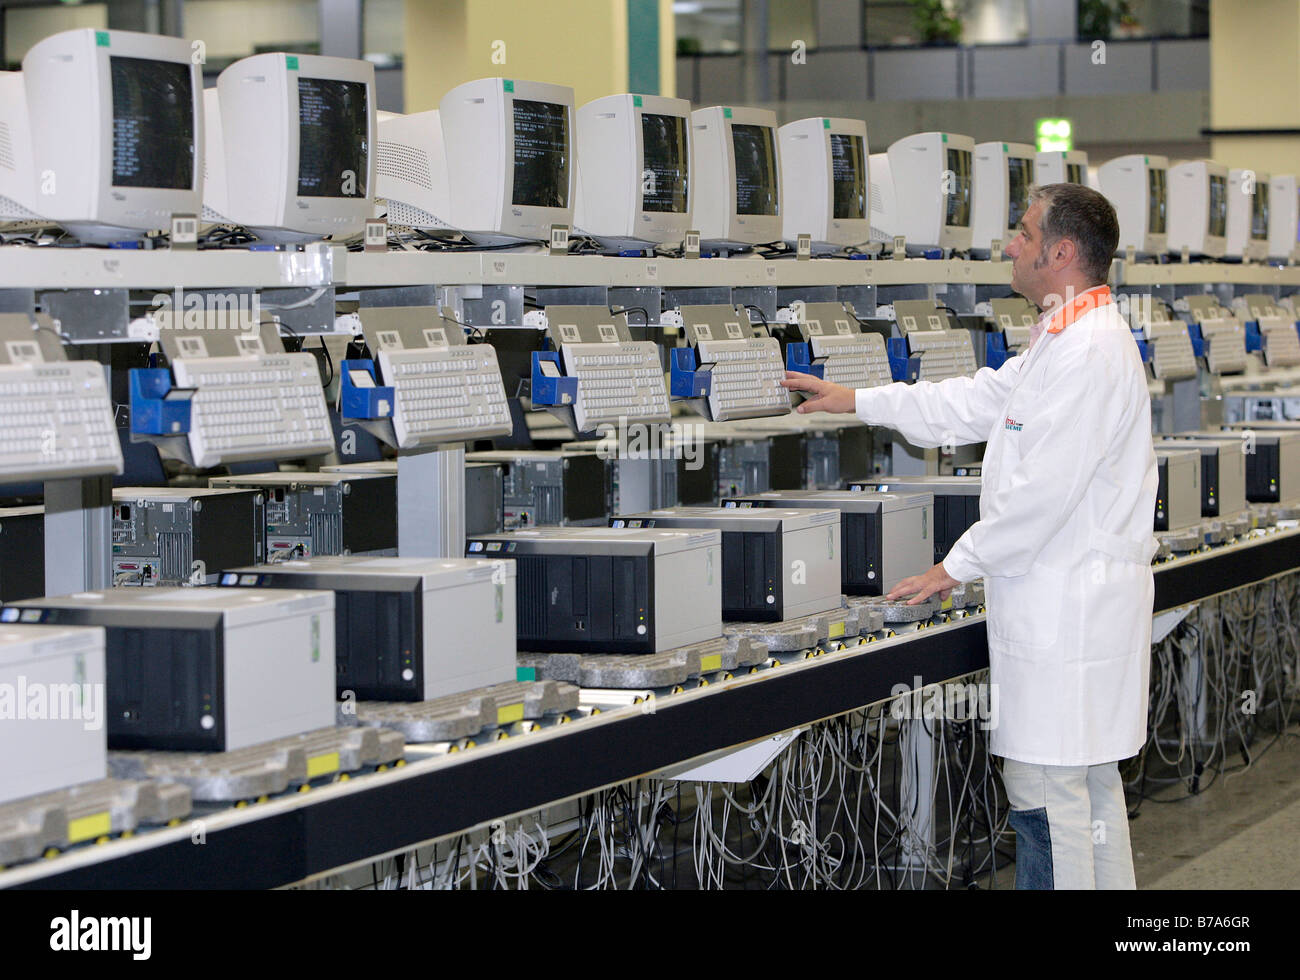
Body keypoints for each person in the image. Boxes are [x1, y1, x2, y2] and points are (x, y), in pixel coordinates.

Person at [781, 183, 1157, 890]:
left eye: (1022, 232)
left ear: (1063, 251)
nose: (1010, 245)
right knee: (1087, 798)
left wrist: (952, 568)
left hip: (1068, 620)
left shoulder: (1088, 354)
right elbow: (974, 400)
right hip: (1069, 616)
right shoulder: (1065, 339)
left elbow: (1038, 498)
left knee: (1050, 807)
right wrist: (859, 400)